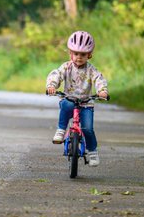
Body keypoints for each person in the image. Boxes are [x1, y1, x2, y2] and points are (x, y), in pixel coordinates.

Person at [45, 30, 109, 166]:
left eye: (83, 54)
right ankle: (61, 130)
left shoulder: (91, 70)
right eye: (76, 53)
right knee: (66, 105)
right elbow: (57, 75)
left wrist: (102, 91)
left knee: (88, 129)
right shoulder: (66, 67)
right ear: (70, 53)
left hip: (86, 103)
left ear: (89, 55)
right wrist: (52, 85)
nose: (79, 57)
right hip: (70, 99)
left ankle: (92, 152)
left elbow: (99, 79)